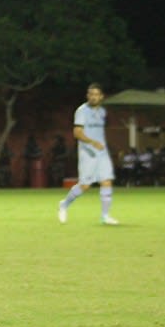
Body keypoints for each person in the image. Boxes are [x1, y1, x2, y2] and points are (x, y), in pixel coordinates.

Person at [57, 83, 119, 225]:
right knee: (85, 186)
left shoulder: (102, 112)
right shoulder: (82, 111)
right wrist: (92, 142)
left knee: (106, 181)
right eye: (91, 94)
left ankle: (105, 216)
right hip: (88, 153)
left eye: (96, 94)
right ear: (87, 96)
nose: (93, 97)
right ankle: (64, 204)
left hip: (102, 153)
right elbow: (77, 132)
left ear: (101, 97)